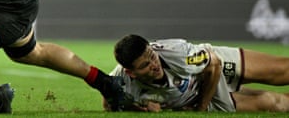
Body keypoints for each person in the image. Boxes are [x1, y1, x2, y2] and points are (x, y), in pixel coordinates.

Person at [105, 34, 289, 112]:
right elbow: (109, 103)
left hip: (210, 67)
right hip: (195, 97)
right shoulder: (120, 80)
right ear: (131, 73)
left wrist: (201, 108)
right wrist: (141, 109)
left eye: (152, 56)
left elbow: (213, 64)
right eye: (145, 65)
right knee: (278, 104)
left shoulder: (178, 54)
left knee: (284, 71)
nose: (154, 64)